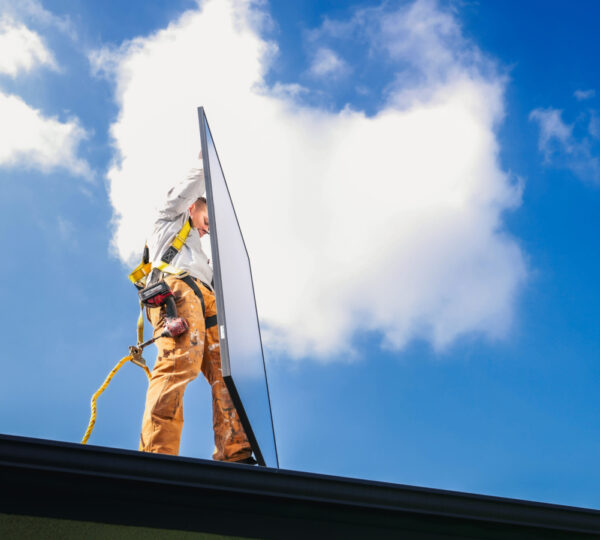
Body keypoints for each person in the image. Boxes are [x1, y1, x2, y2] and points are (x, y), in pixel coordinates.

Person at [138, 154, 254, 463]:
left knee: (226, 374)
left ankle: (236, 452)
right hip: (177, 293)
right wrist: (205, 165)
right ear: (194, 206)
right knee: (180, 364)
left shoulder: (201, 257)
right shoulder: (166, 223)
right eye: (206, 221)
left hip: (207, 299)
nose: (207, 230)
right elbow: (183, 192)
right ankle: (156, 454)